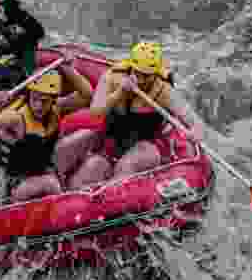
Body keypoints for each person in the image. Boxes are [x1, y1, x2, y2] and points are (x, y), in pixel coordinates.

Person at [0, 53, 93, 206]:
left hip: (41, 167)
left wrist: (68, 69)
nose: (38, 106)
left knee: (87, 135)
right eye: (35, 99)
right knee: (50, 185)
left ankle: (63, 181)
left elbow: (86, 95)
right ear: (29, 94)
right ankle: (60, 205)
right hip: (12, 179)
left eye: (44, 101)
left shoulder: (57, 108)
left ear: (53, 100)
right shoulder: (15, 117)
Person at [85, 42, 206, 179]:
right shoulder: (112, 77)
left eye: (147, 76)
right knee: (90, 169)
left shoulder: (163, 90)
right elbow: (95, 112)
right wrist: (120, 92)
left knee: (126, 166)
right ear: (131, 67)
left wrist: (196, 131)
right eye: (138, 73)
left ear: (156, 73)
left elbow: (194, 121)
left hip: (149, 144)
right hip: (114, 139)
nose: (141, 80)